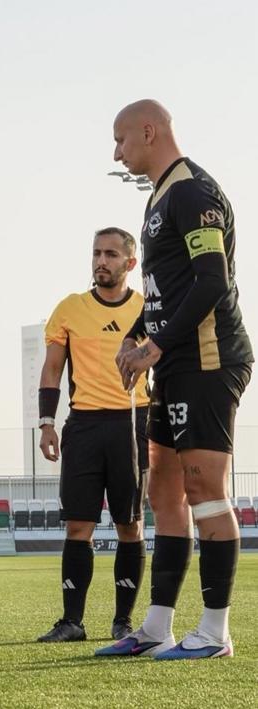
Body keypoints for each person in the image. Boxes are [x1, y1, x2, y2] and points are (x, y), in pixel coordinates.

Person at [96, 100, 253, 660]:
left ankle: (214, 633)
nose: (117, 152)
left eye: (120, 140)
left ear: (149, 131)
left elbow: (212, 282)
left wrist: (155, 345)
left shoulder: (193, 192)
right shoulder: (159, 197)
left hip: (208, 359)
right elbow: (168, 289)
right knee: (162, 491)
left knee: (203, 488)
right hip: (173, 363)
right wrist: (135, 333)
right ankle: (157, 627)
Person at [35, 228, 149, 643]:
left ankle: (123, 622)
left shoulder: (146, 309)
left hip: (133, 425)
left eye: (112, 254)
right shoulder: (70, 308)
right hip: (83, 426)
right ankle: (72, 622)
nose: (102, 261)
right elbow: (52, 368)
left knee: (129, 526)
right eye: (97, 253)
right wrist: (47, 422)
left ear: (130, 263)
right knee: (77, 526)